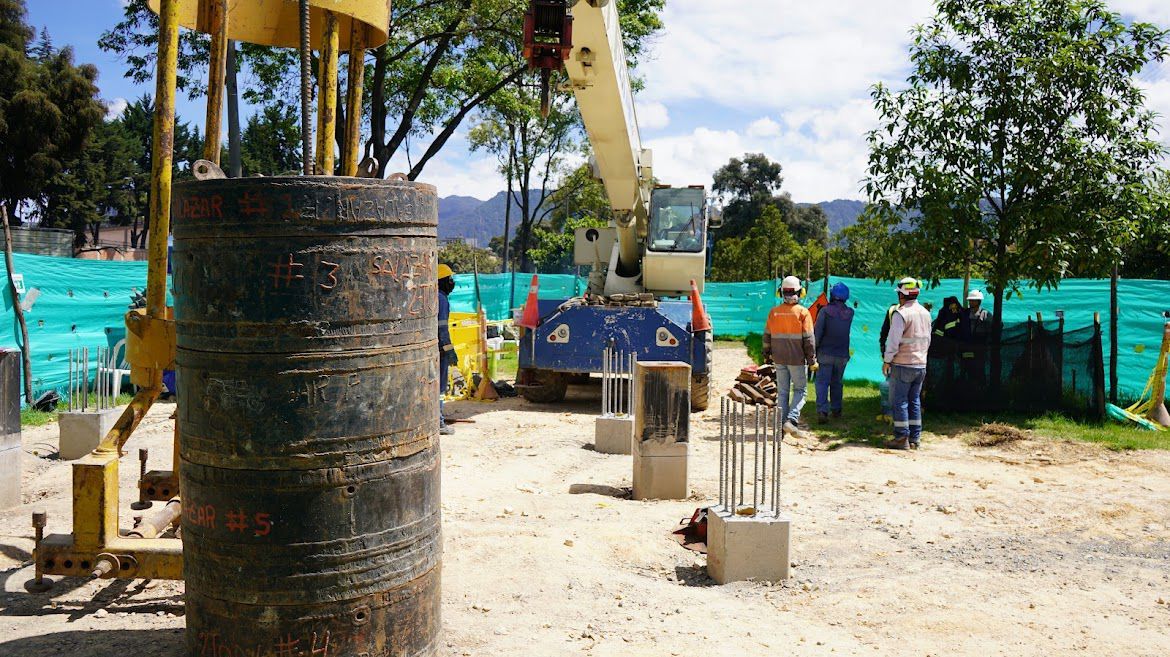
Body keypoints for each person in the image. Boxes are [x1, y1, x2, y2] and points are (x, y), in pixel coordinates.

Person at [882, 277, 933, 450]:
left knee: (900, 401)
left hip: (903, 364)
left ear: (902, 295)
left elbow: (893, 341)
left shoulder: (901, 313)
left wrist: (887, 360)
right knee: (915, 401)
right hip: (921, 364)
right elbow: (928, 339)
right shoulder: (926, 313)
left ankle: (901, 437)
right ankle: (915, 438)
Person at [764, 276, 818, 430]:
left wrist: (767, 354)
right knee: (800, 390)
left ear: (780, 293)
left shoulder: (774, 312)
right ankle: (792, 420)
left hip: (779, 358)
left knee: (782, 392)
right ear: (800, 292)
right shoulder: (803, 313)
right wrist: (812, 360)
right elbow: (809, 340)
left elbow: (766, 336)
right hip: (797, 359)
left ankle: (781, 423)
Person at [813, 282, 854, 422]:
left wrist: (812, 351)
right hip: (842, 355)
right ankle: (836, 410)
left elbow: (817, 334)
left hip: (825, 353)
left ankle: (823, 412)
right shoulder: (850, 313)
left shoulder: (824, 311)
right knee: (837, 382)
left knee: (822, 383)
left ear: (832, 295)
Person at [437, 264, 457, 436]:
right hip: (440, 350)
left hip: (431, 349)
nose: (452, 282)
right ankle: (439, 422)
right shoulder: (442, 299)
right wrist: (450, 350)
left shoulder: (430, 296)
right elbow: (442, 329)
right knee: (440, 388)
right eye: (450, 279)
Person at [876, 297, 900, 422]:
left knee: (889, 386)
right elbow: (884, 334)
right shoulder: (917, 311)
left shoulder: (894, 310)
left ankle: (890, 413)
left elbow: (884, 335)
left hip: (898, 358)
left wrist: (886, 357)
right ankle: (889, 413)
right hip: (905, 358)